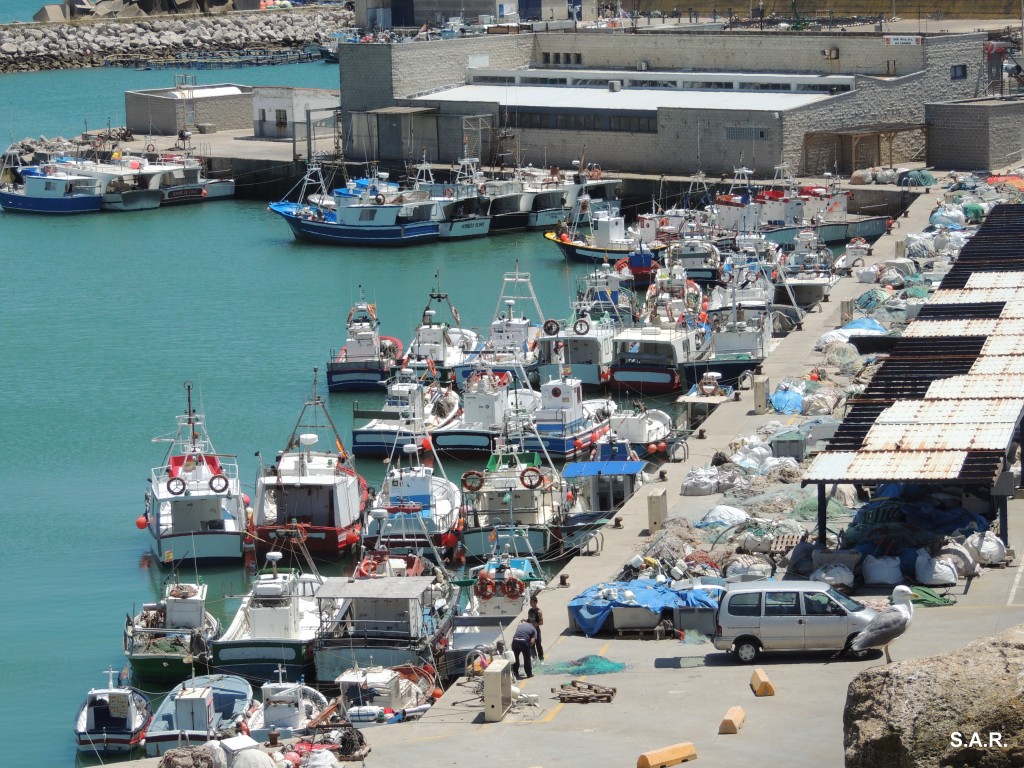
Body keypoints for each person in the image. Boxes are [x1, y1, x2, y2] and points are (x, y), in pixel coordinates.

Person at [528, 596, 545, 663]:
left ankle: (541, 659)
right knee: (531, 644)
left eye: (532, 602)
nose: (530, 603)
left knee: (538, 645)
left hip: (536, 631)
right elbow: (529, 620)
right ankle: (534, 658)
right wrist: (525, 620)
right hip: (530, 630)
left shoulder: (538, 611)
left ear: (536, 602)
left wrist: (536, 624)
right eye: (530, 602)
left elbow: (541, 622)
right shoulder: (530, 610)